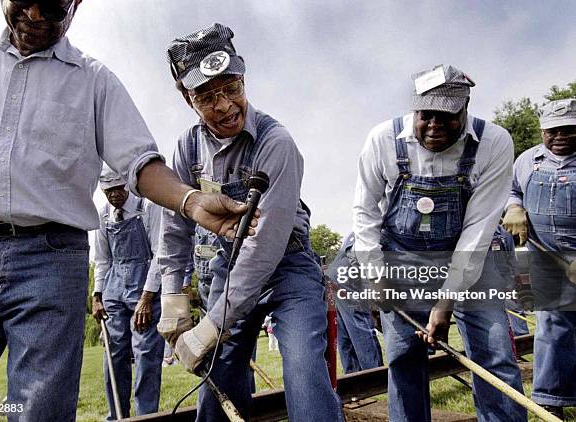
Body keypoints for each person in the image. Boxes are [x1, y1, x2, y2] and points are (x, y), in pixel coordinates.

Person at [0, 3, 253, 420]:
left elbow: (140, 163)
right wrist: (102, 292)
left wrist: (189, 200)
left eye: (52, 4)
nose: (34, 13)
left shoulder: (93, 81)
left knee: (37, 410)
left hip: (49, 262)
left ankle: (137, 409)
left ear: (75, 3)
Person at [156, 23, 343, 421]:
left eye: (231, 88)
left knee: (304, 371)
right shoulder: (187, 147)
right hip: (227, 272)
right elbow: (175, 226)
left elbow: (265, 247)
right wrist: (172, 294)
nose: (224, 106)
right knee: (219, 379)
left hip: (286, 268)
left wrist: (212, 324)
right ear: (188, 100)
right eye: (207, 97)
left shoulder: (276, 143)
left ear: (244, 78)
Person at [353, 65, 526, 421]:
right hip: (402, 258)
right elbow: (365, 213)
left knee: (494, 353)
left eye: (447, 116)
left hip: (470, 259)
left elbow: (477, 232)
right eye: (425, 115)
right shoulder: (382, 140)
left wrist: (445, 302)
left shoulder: (494, 143)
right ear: (413, 108)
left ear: (465, 108)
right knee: (404, 358)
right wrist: (376, 275)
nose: (434, 126)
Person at [503, 98, 576, 419]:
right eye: (553, 130)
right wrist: (514, 207)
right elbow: (512, 189)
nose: (560, 136)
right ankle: (551, 399)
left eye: (569, 130)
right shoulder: (527, 160)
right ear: (543, 130)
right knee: (552, 325)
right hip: (547, 257)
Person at [92, 166, 164, 420]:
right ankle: (118, 415)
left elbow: (159, 254)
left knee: (145, 353)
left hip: (144, 286)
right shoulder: (103, 215)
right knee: (113, 353)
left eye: (118, 189)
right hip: (113, 287)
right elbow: (102, 260)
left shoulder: (148, 207)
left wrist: (147, 297)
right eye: (108, 191)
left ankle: (146, 416)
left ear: (128, 185)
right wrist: (97, 295)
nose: (114, 196)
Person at [325, 233, 383, 373]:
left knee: (345, 330)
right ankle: (376, 376)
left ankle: (353, 378)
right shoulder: (379, 227)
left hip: (334, 276)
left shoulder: (362, 227)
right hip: (349, 275)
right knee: (360, 325)